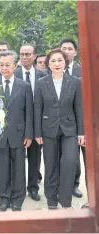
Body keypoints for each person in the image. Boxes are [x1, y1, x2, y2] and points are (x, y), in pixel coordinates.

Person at [34, 48, 84, 209]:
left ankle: (65, 199)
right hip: (48, 129)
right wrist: (37, 132)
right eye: (53, 61)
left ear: (65, 62)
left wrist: (81, 132)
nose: (56, 63)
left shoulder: (75, 82)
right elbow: (37, 109)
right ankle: (51, 200)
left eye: (60, 60)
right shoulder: (41, 83)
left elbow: (79, 108)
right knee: (51, 165)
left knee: (70, 162)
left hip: (69, 129)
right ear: (48, 64)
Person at [0, 50, 33, 212]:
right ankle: (4, 198)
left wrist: (29, 134)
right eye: (1, 65)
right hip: (0, 134)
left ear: (15, 66)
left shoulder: (24, 86)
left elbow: (29, 113)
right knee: (2, 168)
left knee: (18, 169)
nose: (4, 68)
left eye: (8, 65)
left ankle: (17, 199)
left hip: (19, 133)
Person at [15, 44, 47, 201]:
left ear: (34, 56)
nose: (24, 57)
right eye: (21, 54)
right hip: (18, 124)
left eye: (27, 54)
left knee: (35, 157)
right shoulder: (13, 74)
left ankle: (33, 187)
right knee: (17, 158)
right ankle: (18, 187)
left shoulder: (43, 75)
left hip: (38, 124)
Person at [60, 38, 85, 199]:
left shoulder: (83, 71)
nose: (67, 51)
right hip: (64, 121)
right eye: (64, 48)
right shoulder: (54, 71)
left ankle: (75, 184)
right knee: (68, 156)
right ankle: (65, 185)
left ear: (75, 52)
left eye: (70, 48)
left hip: (83, 119)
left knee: (79, 157)